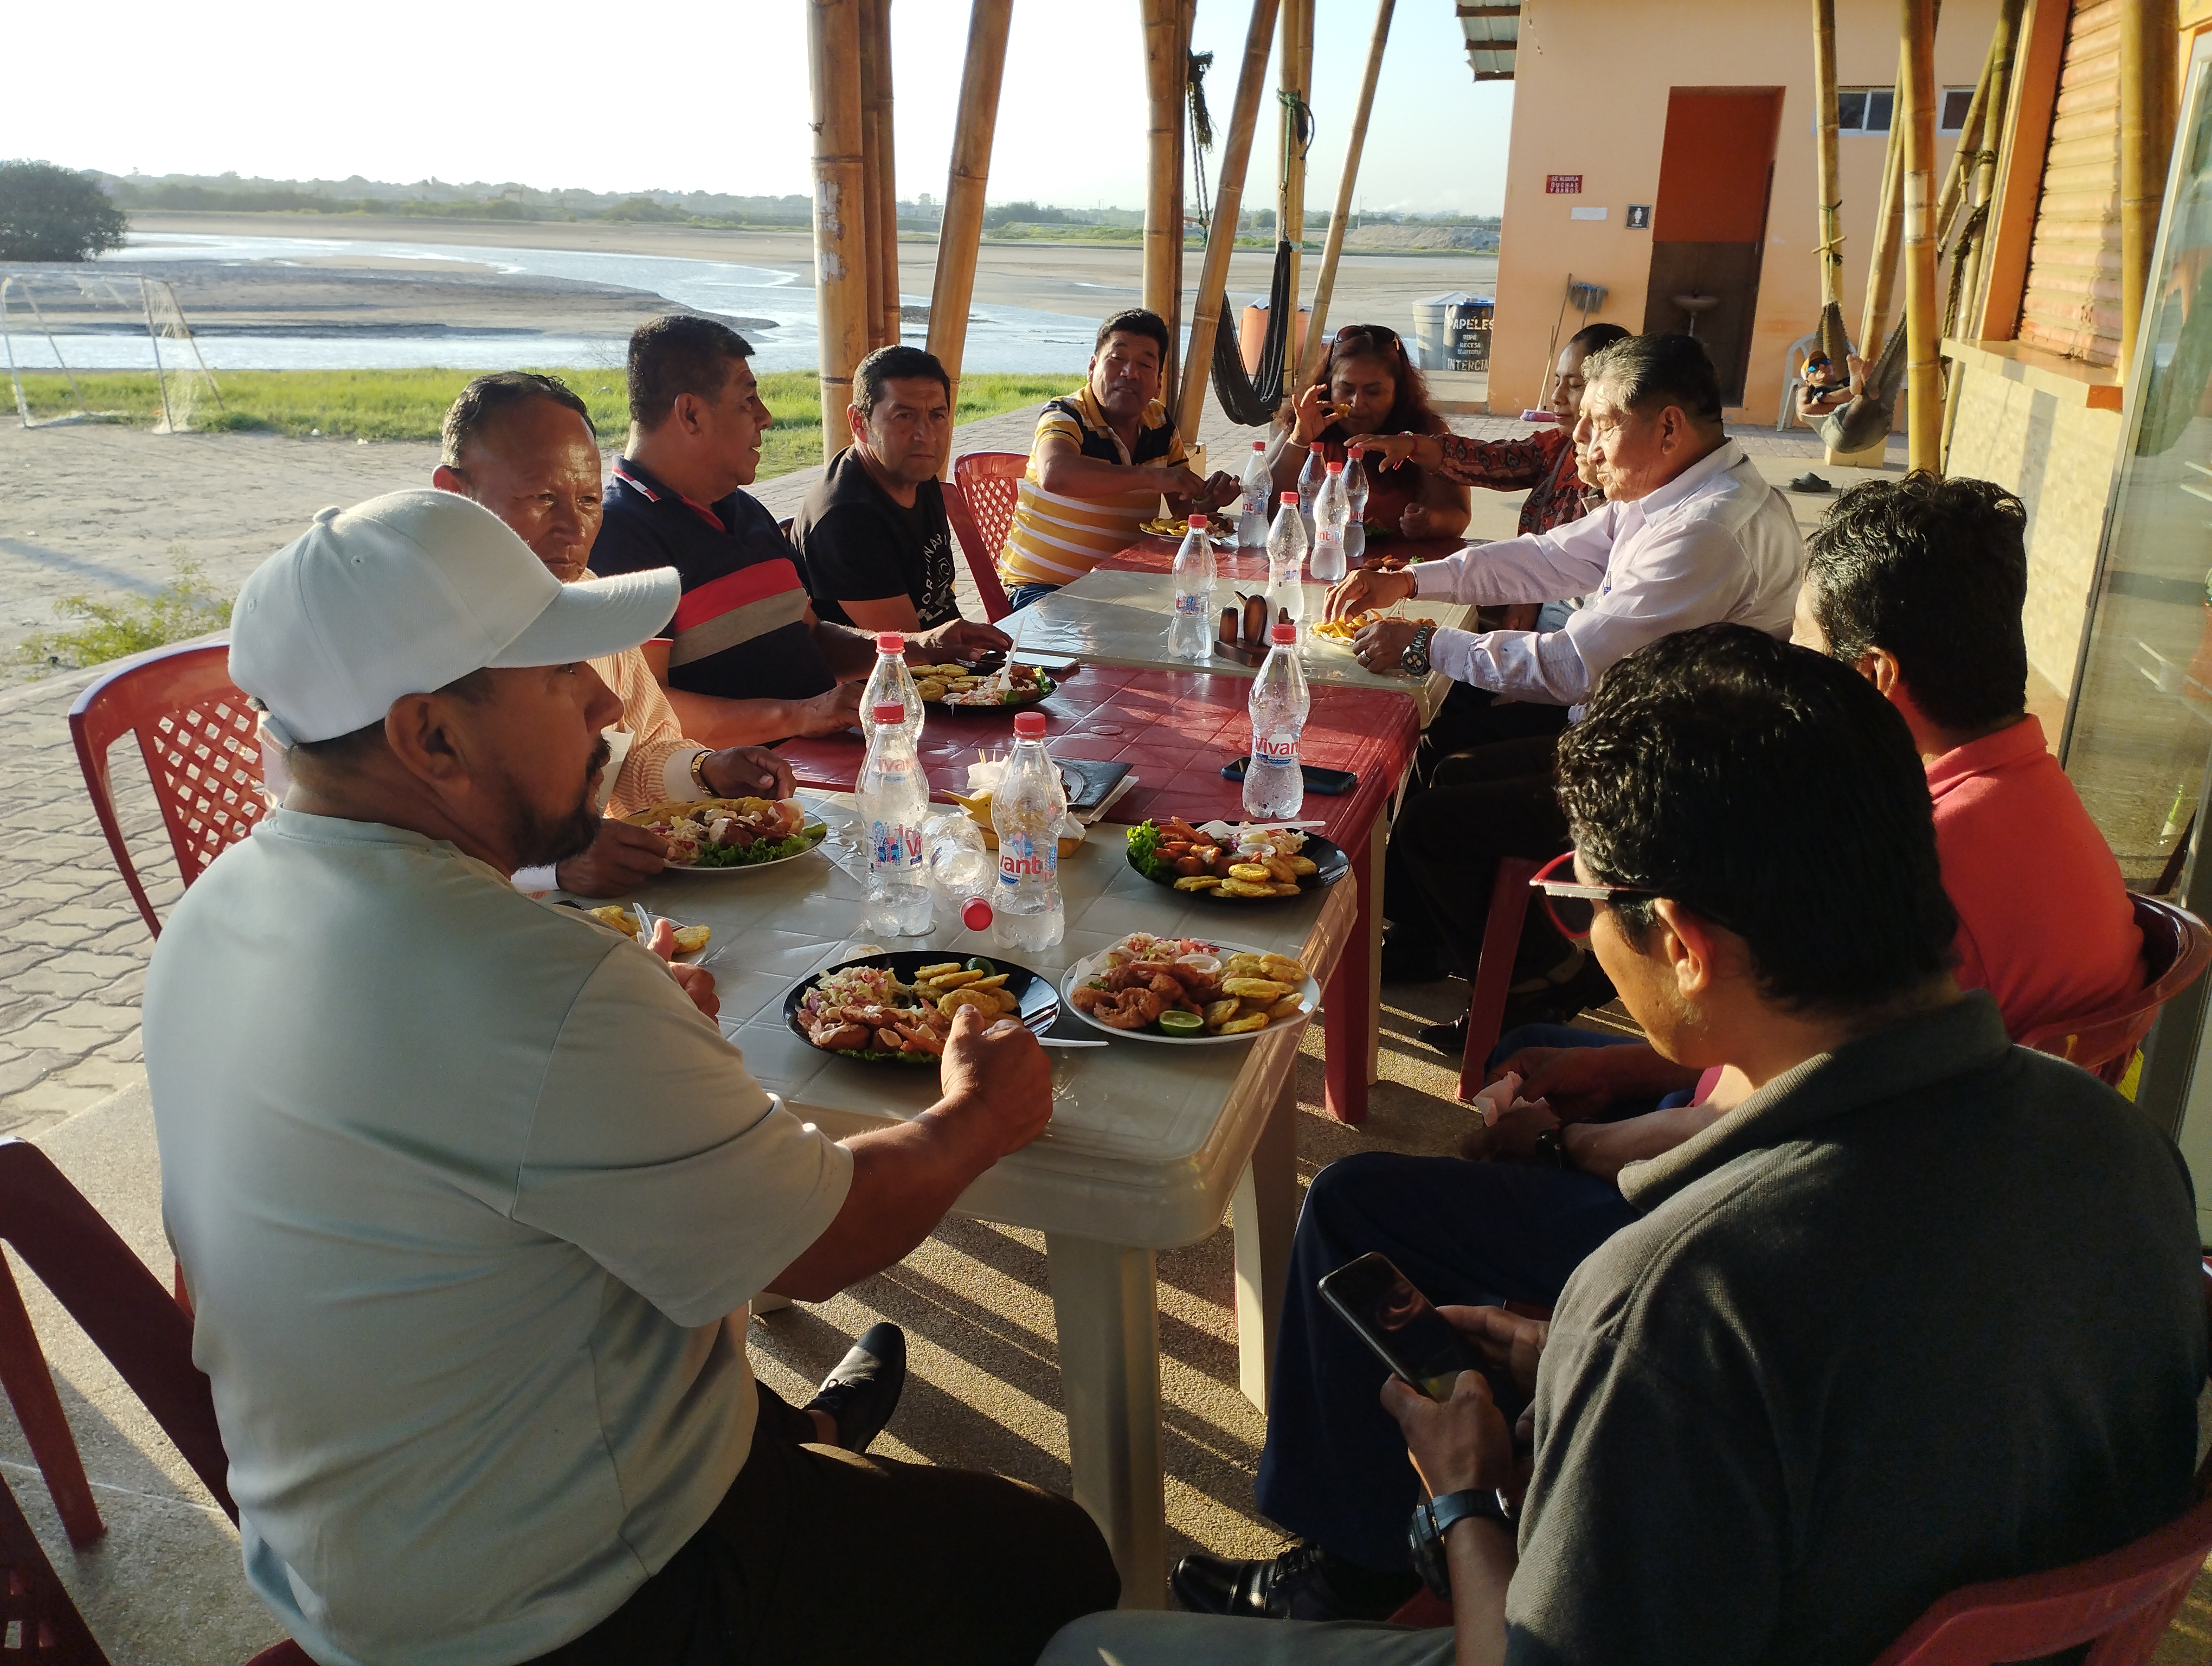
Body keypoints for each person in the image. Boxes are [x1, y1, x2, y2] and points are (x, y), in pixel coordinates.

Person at [1051, 623, 2205, 1665]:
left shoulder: (1674, 1299)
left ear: (1687, 947)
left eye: (1587, 899)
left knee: (1089, 1644)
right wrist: (1579, 1364)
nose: (1587, 926)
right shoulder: (2122, 1148)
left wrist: (1464, 1496)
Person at [144, 489, 1117, 1666]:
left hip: (350, 1550)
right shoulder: (534, 985)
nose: (608, 702)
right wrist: (978, 1117)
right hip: (567, 1607)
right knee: (1057, 1555)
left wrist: (622, 1042)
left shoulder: (210, 916)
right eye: (562, 675)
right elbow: (818, 1243)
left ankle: (783, 1434)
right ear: (430, 738)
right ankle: (777, 1458)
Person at [1490, 471, 2148, 1113]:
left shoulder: (1908, 862)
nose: (1787, 660)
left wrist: (1566, 1143)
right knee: (1533, 1048)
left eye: (1803, 645)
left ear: (1875, 675)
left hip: (1822, 1154)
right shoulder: (2031, 791)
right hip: (1891, 1112)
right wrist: (1618, 1070)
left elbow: (1766, 1110)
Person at [1338, 334, 1802, 996]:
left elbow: (1574, 666)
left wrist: (1424, 644)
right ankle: (1439, 940)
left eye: (1601, 421)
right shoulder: (1667, 495)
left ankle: (1546, 978)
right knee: (1446, 754)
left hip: (1675, 775)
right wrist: (1411, 580)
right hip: (1635, 734)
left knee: (1435, 824)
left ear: (1669, 427)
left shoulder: (1708, 529)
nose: (1580, 437)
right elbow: (1547, 557)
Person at [428, 370, 800, 898]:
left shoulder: (589, 600)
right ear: (454, 492)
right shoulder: (417, 635)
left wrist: (705, 771)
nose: (574, 530)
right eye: (542, 497)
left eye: (587, 500)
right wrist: (552, 868)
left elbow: (640, 747)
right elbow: (390, 849)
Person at [589, 315, 1001, 741]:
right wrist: (799, 715)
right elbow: (636, 708)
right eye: (748, 400)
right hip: (750, 777)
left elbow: (811, 636)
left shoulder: (744, 509)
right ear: (691, 414)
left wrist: (921, 646)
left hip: (830, 753)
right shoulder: (621, 535)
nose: (765, 417)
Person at [994, 309, 1242, 608]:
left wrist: (1209, 500)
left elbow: (1182, 510)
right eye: (1117, 359)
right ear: (1092, 367)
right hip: (1042, 589)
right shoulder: (1065, 414)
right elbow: (1055, 474)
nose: (1130, 372)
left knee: (1205, 611)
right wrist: (1153, 478)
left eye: (1145, 364)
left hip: (1122, 587)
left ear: (1158, 382)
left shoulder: (1160, 423)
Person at [793, 343, 1013, 643]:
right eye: (904, 416)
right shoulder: (847, 518)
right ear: (859, 423)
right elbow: (906, 650)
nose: (926, 435)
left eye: (937, 416)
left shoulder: (915, 474)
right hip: (885, 669)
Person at [1339, 322, 1626, 542]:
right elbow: (1488, 459)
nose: (1557, 397)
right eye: (1557, 382)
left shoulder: (1631, 469)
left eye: (1575, 385)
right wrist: (1414, 445)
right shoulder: (1556, 448)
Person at [1267, 324, 1470, 541]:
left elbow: (1458, 515)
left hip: (1396, 559)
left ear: (1398, 392)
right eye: (1346, 390)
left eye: (1373, 392)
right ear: (1328, 385)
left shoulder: (1424, 434)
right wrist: (1299, 441)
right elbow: (1264, 508)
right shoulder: (1305, 421)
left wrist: (1430, 522)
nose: (1357, 403)